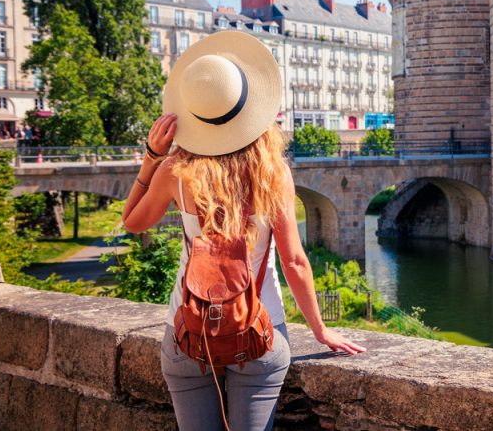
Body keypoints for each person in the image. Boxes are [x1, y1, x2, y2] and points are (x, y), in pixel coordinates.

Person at [121, 30, 365, 431]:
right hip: (259, 330)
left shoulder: (175, 173)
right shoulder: (273, 174)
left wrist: (151, 158)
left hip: (188, 330)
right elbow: (294, 262)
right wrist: (320, 330)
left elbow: (132, 221)